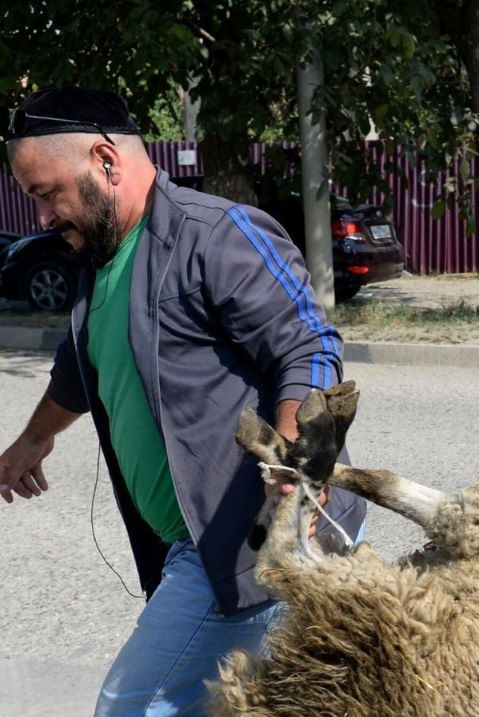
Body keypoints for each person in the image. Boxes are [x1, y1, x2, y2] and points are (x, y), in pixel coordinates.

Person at [0, 86, 366, 716]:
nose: (41, 218)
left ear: (105, 161)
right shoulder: (105, 257)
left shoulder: (215, 234)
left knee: (130, 708)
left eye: (45, 193)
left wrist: (294, 469)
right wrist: (33, 440)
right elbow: (80, 365)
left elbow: (307, 345)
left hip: (247, 547)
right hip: (188, 547)